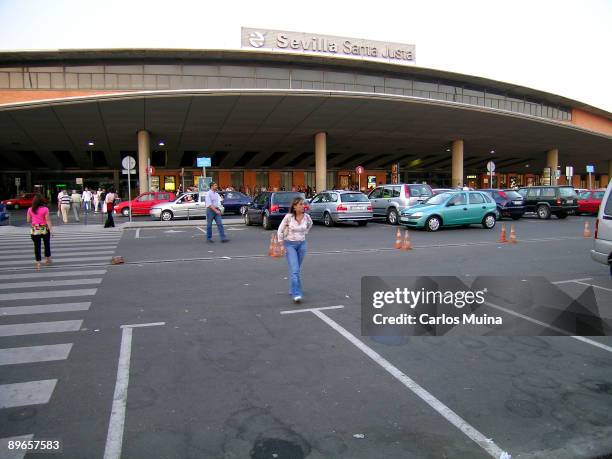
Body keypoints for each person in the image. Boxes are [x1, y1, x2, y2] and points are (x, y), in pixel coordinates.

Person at [277, 197, 313, 303]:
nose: (303, 206)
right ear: (295, 206)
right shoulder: (289, 217)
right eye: (300, 204)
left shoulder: (307, 217)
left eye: (303, 204)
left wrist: (305, 232)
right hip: (290, 245)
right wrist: (281, 243)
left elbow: (310, 225)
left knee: (295, 269)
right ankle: (297, 294)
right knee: (295, 270)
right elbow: (280, 229)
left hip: (302, 245)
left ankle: (293, 288)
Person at [27, 194, 52, 270]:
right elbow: (48, 220)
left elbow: (28, 221)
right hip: (44, 228)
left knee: (37, 246)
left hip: (35, 229)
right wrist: (51, 230)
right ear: (42, 201)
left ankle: (38, 263)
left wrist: (34, 219)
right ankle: (48, 259)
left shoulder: (30, 209)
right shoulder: (45, 209)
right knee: (46, 244)